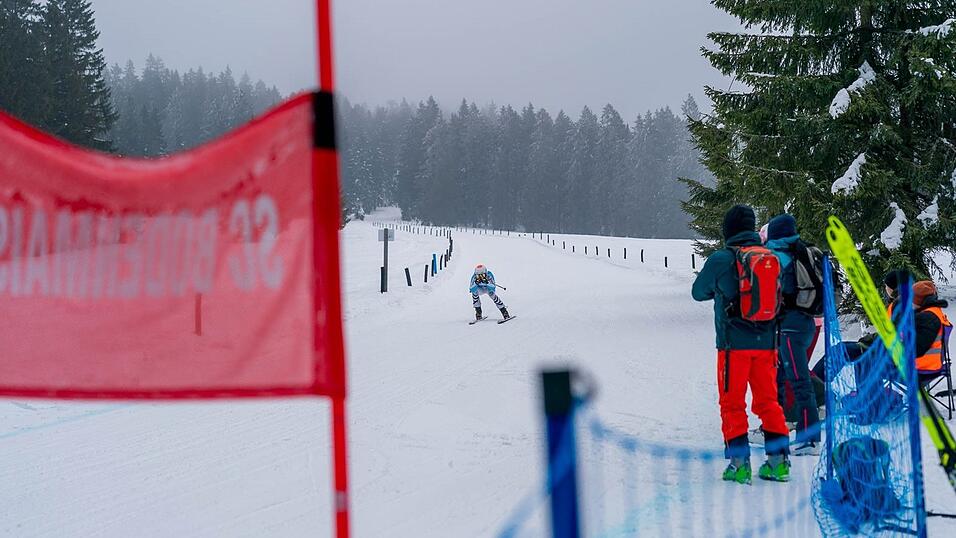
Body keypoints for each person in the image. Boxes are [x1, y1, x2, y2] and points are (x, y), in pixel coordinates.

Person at [692, 204, 790, 484]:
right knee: (769, 401)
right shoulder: (771, 258)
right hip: (767, 344)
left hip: (732, 346)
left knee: (732, 403)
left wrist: (721, 290)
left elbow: (698, 292)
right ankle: (779, 463)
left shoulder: (722, 258)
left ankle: (739, 464)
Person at [764, 214, 821, 455]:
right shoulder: (805, 252)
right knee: (785, 378)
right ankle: (785, 429)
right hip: (806, 323)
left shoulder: (777, 257)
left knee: (796, 381)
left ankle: (809, 438)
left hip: (789, 326)